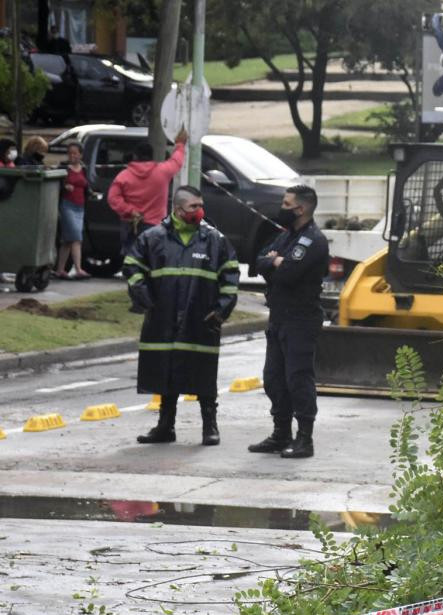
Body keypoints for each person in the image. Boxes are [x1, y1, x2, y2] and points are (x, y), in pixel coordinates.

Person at [124, 185, 239, 447]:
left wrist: (221, 310)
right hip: (163, 317)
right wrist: (146, 300)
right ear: (177, 209)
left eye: (201, 206)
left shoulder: (215, 239)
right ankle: (166, 426)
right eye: (193, 207)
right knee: (166, 370)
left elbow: (230, 276)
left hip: (202, 319)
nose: (200, 211)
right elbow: (132, 267)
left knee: (204, 373)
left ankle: (210, 426)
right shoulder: (153, 238)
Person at [248, 185, 329, 459]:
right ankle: (280, 433)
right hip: (279, 318)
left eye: (286, 203)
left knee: (298, 379)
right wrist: (275, 262)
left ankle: (304, 439)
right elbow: (258, 261)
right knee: (274, 379)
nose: (281, 209)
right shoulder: (285, 237)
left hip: (301, 319)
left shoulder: (313, 240)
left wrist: (276, 265)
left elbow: (289, 276)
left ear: (301, 208)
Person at [108, 128, 188, 256]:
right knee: (152, 260)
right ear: (152, 156)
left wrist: (130, 210)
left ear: (135, 156)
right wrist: (180, 144)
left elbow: (113, 198)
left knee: (132, 260)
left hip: (131, 225)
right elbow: (176, 161)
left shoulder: (124, 176)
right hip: (155, 226)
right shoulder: (163, 172)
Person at [54, 142, 91, 279]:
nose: (72, 156)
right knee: (76, 237)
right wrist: (65, 187)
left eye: (75, 153)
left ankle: (60, 270)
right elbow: (56, 184)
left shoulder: (84, 168)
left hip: (80, 207)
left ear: (80, 154)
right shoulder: (64, 168)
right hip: (67, 205)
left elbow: (86, 185)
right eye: (70, 153)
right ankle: (78, 269)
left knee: (67, 241)